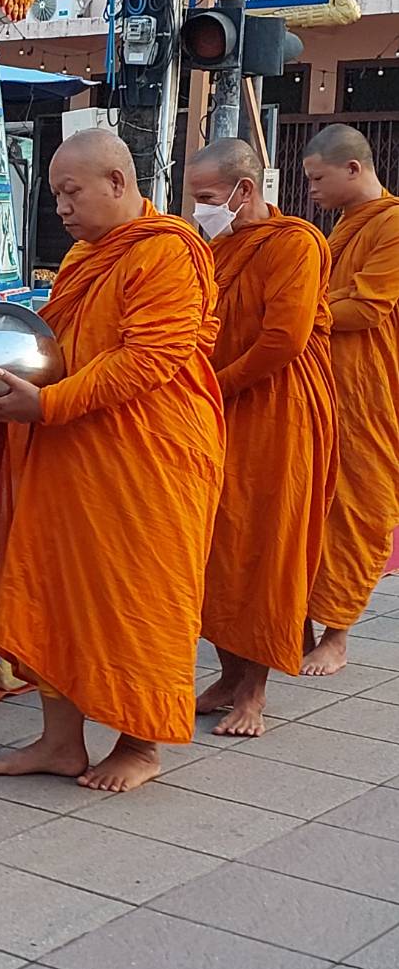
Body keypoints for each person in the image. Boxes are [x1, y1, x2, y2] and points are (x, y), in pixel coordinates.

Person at [0, 128, 224, 794]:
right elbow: (58, 351)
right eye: (56, 194)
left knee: (138, 595)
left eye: (70, 192)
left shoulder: (167, 251)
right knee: (52, 589)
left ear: (116, 183)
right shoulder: (84, 258)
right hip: (69, 451)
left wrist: (48, 405)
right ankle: (61, 742)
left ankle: (139, 743)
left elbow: (149, 358)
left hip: (148, 456)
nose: (60, 207)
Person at [187, 139, 338, 735]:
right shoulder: (215, 247)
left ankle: (254, 690)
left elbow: (284, 339)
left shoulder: (296, 243)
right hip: (220, 408)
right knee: (217, 542)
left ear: (243, 190)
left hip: (279, 407)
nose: (198, 209)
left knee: (267, 544)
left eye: (206, 197)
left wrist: (213, 386)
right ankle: (228, 674)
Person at [301, 124, 399, 676]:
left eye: (318, 179)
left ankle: (337, 634)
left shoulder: (393, 224)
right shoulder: (345, 224)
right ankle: (300, 620)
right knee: (312, 507)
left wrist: (297, 312)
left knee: (358, 508)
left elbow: (365, 308)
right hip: (323, 384)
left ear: (353, 169)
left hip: (368, 392)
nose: (311, 189)